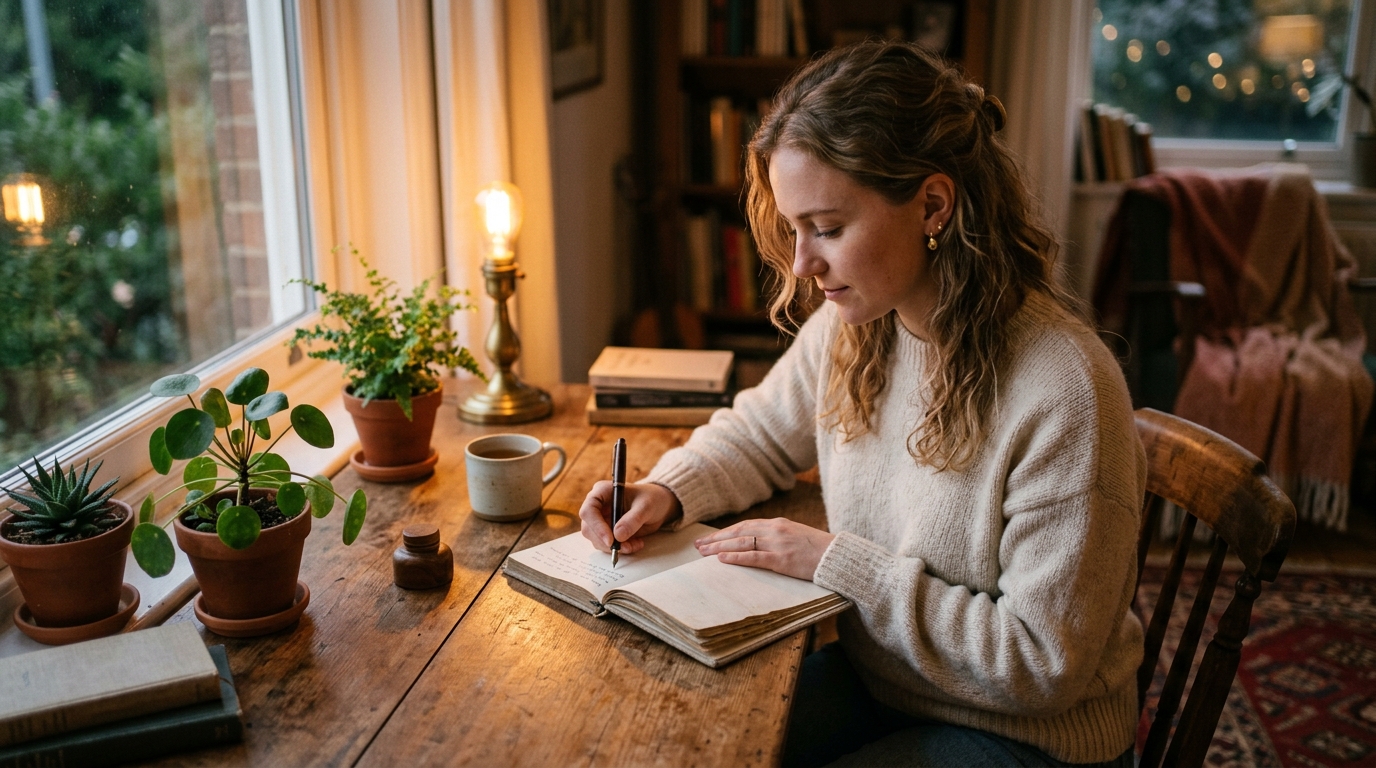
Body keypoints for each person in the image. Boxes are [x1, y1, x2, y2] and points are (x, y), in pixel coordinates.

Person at [579, 41, 1144, 768]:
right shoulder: (860, 325)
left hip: (1029, 739)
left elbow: (1041, 664)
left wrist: (833, 563)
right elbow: (758, 433)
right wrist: (664, 490)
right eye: (794, 229)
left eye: (829, 228)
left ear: (933, 205)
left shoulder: (1065, 389)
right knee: (677, 742)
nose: (804, 265)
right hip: (889, 686)